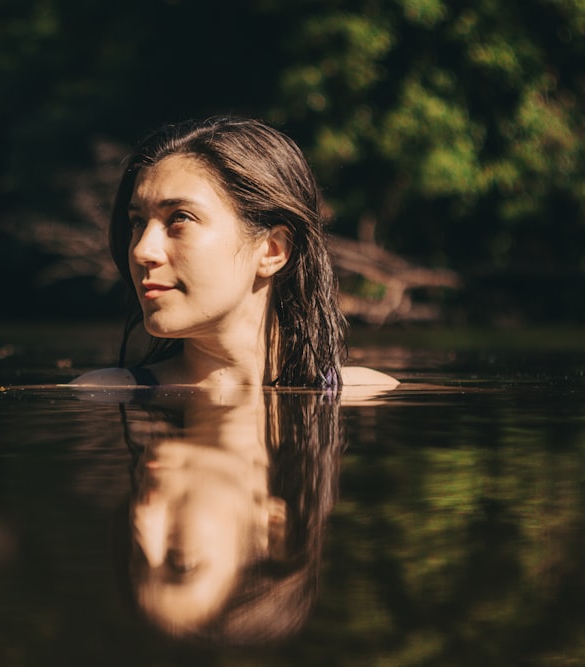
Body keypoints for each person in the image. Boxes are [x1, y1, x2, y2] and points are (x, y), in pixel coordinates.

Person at [72, 116, 397, 390]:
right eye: (137, 222)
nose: (142, 250)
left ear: (273, 250)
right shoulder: (102, 394)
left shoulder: (366, 394)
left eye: (179, 218)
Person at [113, 386, 343, 644]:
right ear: (271, 527)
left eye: (137, 552)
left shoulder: (119, 386)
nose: (142, 515)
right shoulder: (333, 385)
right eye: (182, 562)